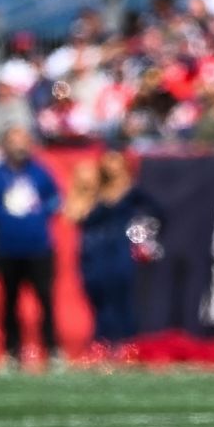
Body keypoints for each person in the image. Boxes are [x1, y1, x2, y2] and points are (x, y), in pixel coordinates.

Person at [0, 126, 63, 363]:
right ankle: (12, 350)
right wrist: (3, 215)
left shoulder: (40, 173)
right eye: (14, 141)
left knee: (45, 299)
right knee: (10, 300)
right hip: (8, 249)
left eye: (23, 141)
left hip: (39, 248)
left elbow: (55, 199)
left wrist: (38, 213)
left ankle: (51, 348)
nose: (19, 146)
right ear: (5, 145)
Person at [68, 149, 165, 351]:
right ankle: (102, 345)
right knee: (99, 299)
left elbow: (157, 214)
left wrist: (143, 237)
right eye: (107, 161)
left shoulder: (132, 193)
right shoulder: (94, 192)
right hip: (93, 254)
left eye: (115, 161)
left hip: (119, 251)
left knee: (122, 300)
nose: (111, 167)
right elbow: (74, 215)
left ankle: (127, 346)